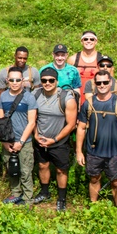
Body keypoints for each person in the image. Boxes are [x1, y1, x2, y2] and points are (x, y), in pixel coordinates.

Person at [75, 70, 117, 207]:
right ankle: (94, 206)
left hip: (114, 153)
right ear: (95, 84)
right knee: (94, 179)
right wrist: (79, 151)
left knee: (115, 181)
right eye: (99, 82)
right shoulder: (88, 104)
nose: (102, 85)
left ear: (111, 83)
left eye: (105, 82)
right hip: (93, 151)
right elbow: (81, 128)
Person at [33, 68, 77, 211]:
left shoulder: (67, 98)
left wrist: (56, 139)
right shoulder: (36, 94)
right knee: (42, 165)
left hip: (59, 141)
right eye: (44, 80)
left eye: (51, 80)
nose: (47, 83)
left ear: (57, 81)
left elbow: (71, 124)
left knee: (61, 170)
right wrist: (35, 134)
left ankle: (61, 198)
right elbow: (32, 117)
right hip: (40, 139)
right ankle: (45, 192)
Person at [0, 68, 38, 205]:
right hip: (8, 140)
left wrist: (21, 141)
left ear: (23, 81)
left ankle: (28, 198)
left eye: (18, 80)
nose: (15, 83)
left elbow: (32, 122)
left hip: (24, 141)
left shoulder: (29, 97)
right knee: (11, 169)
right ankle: (16, 193)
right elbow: (1, 119)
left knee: (26, 171)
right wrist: (4, 141)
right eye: (12, 80)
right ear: (7, 81)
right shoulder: (3, 96)